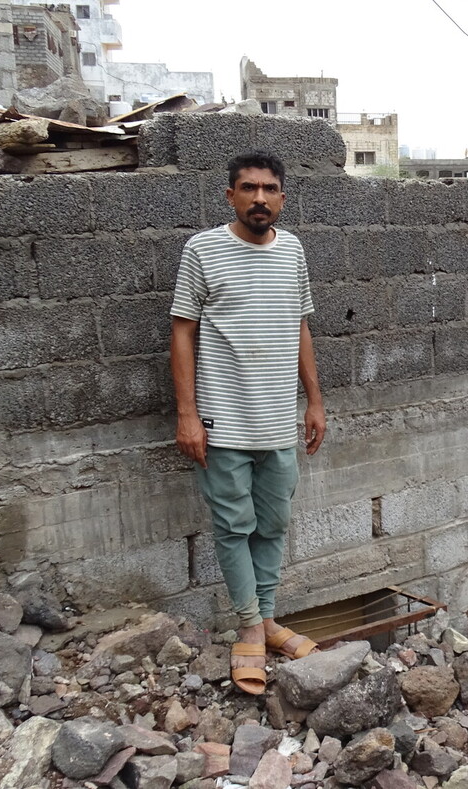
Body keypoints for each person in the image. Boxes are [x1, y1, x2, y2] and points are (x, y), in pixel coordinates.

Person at [169, 150, 326, 695]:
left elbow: (300, 325)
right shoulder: (203, 251)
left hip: (279, 419)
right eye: (249, 188)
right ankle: (250, 626)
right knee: (234, 527)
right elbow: (182, 331)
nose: (260, 198)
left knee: (273, 523)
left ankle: (265, 618)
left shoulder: (293, 252)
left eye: (270, 189)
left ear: (283, 196)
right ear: (230, 194)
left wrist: (314, 400)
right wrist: (188, 415)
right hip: (223, 420)